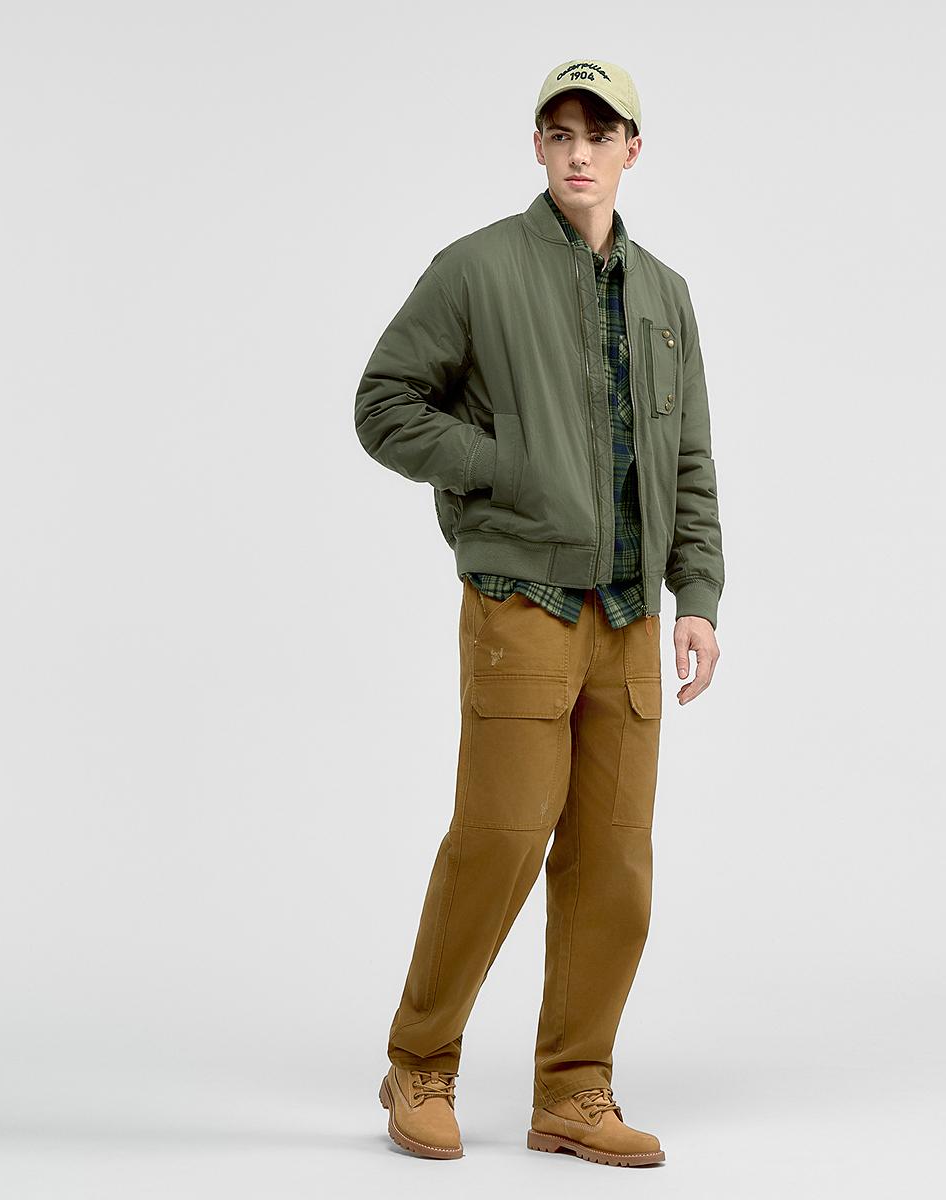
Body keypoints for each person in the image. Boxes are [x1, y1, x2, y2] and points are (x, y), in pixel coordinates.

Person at [354, 57, 724, 1168]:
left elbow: (690, 459)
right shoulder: (476, 268)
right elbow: (384, 403)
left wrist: (697, 595)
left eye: (598, 134)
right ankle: (419, 1061)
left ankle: (575, 1088)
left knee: (615, 862)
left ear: (632, 151)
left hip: (630, 616)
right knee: (501, 839)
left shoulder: (666, 296)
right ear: (537, 147)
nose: (578, 152)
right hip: (522, 600)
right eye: (559, 132)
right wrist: (502, 464)